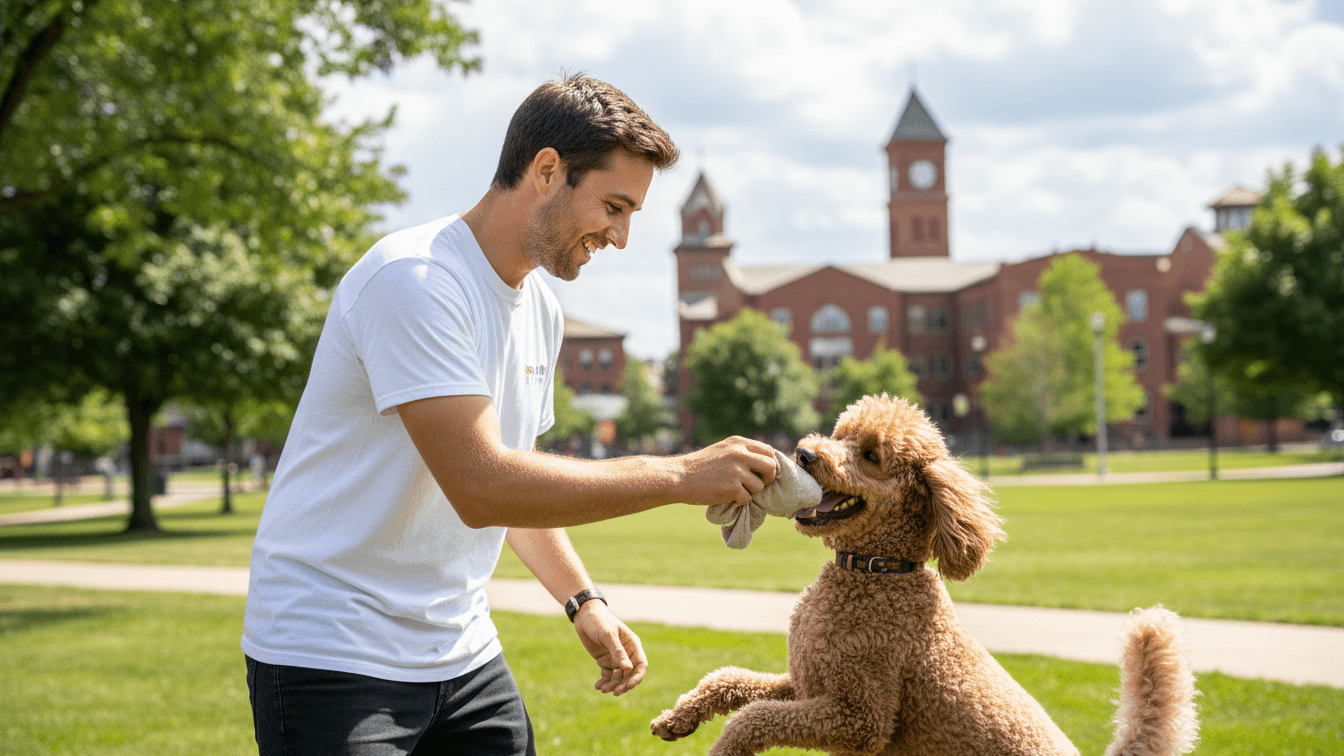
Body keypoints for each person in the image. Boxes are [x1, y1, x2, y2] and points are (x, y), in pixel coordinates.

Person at [241, 74, 778, 756]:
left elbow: (516, 482)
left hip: (462, 654)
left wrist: (583, 599)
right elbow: (482, 486)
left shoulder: (539, 308)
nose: (620, 236)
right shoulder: (415, 281)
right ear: (547, 170)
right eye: (614, 206)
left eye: (632, 214)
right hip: (332, 655)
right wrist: (676, 475)